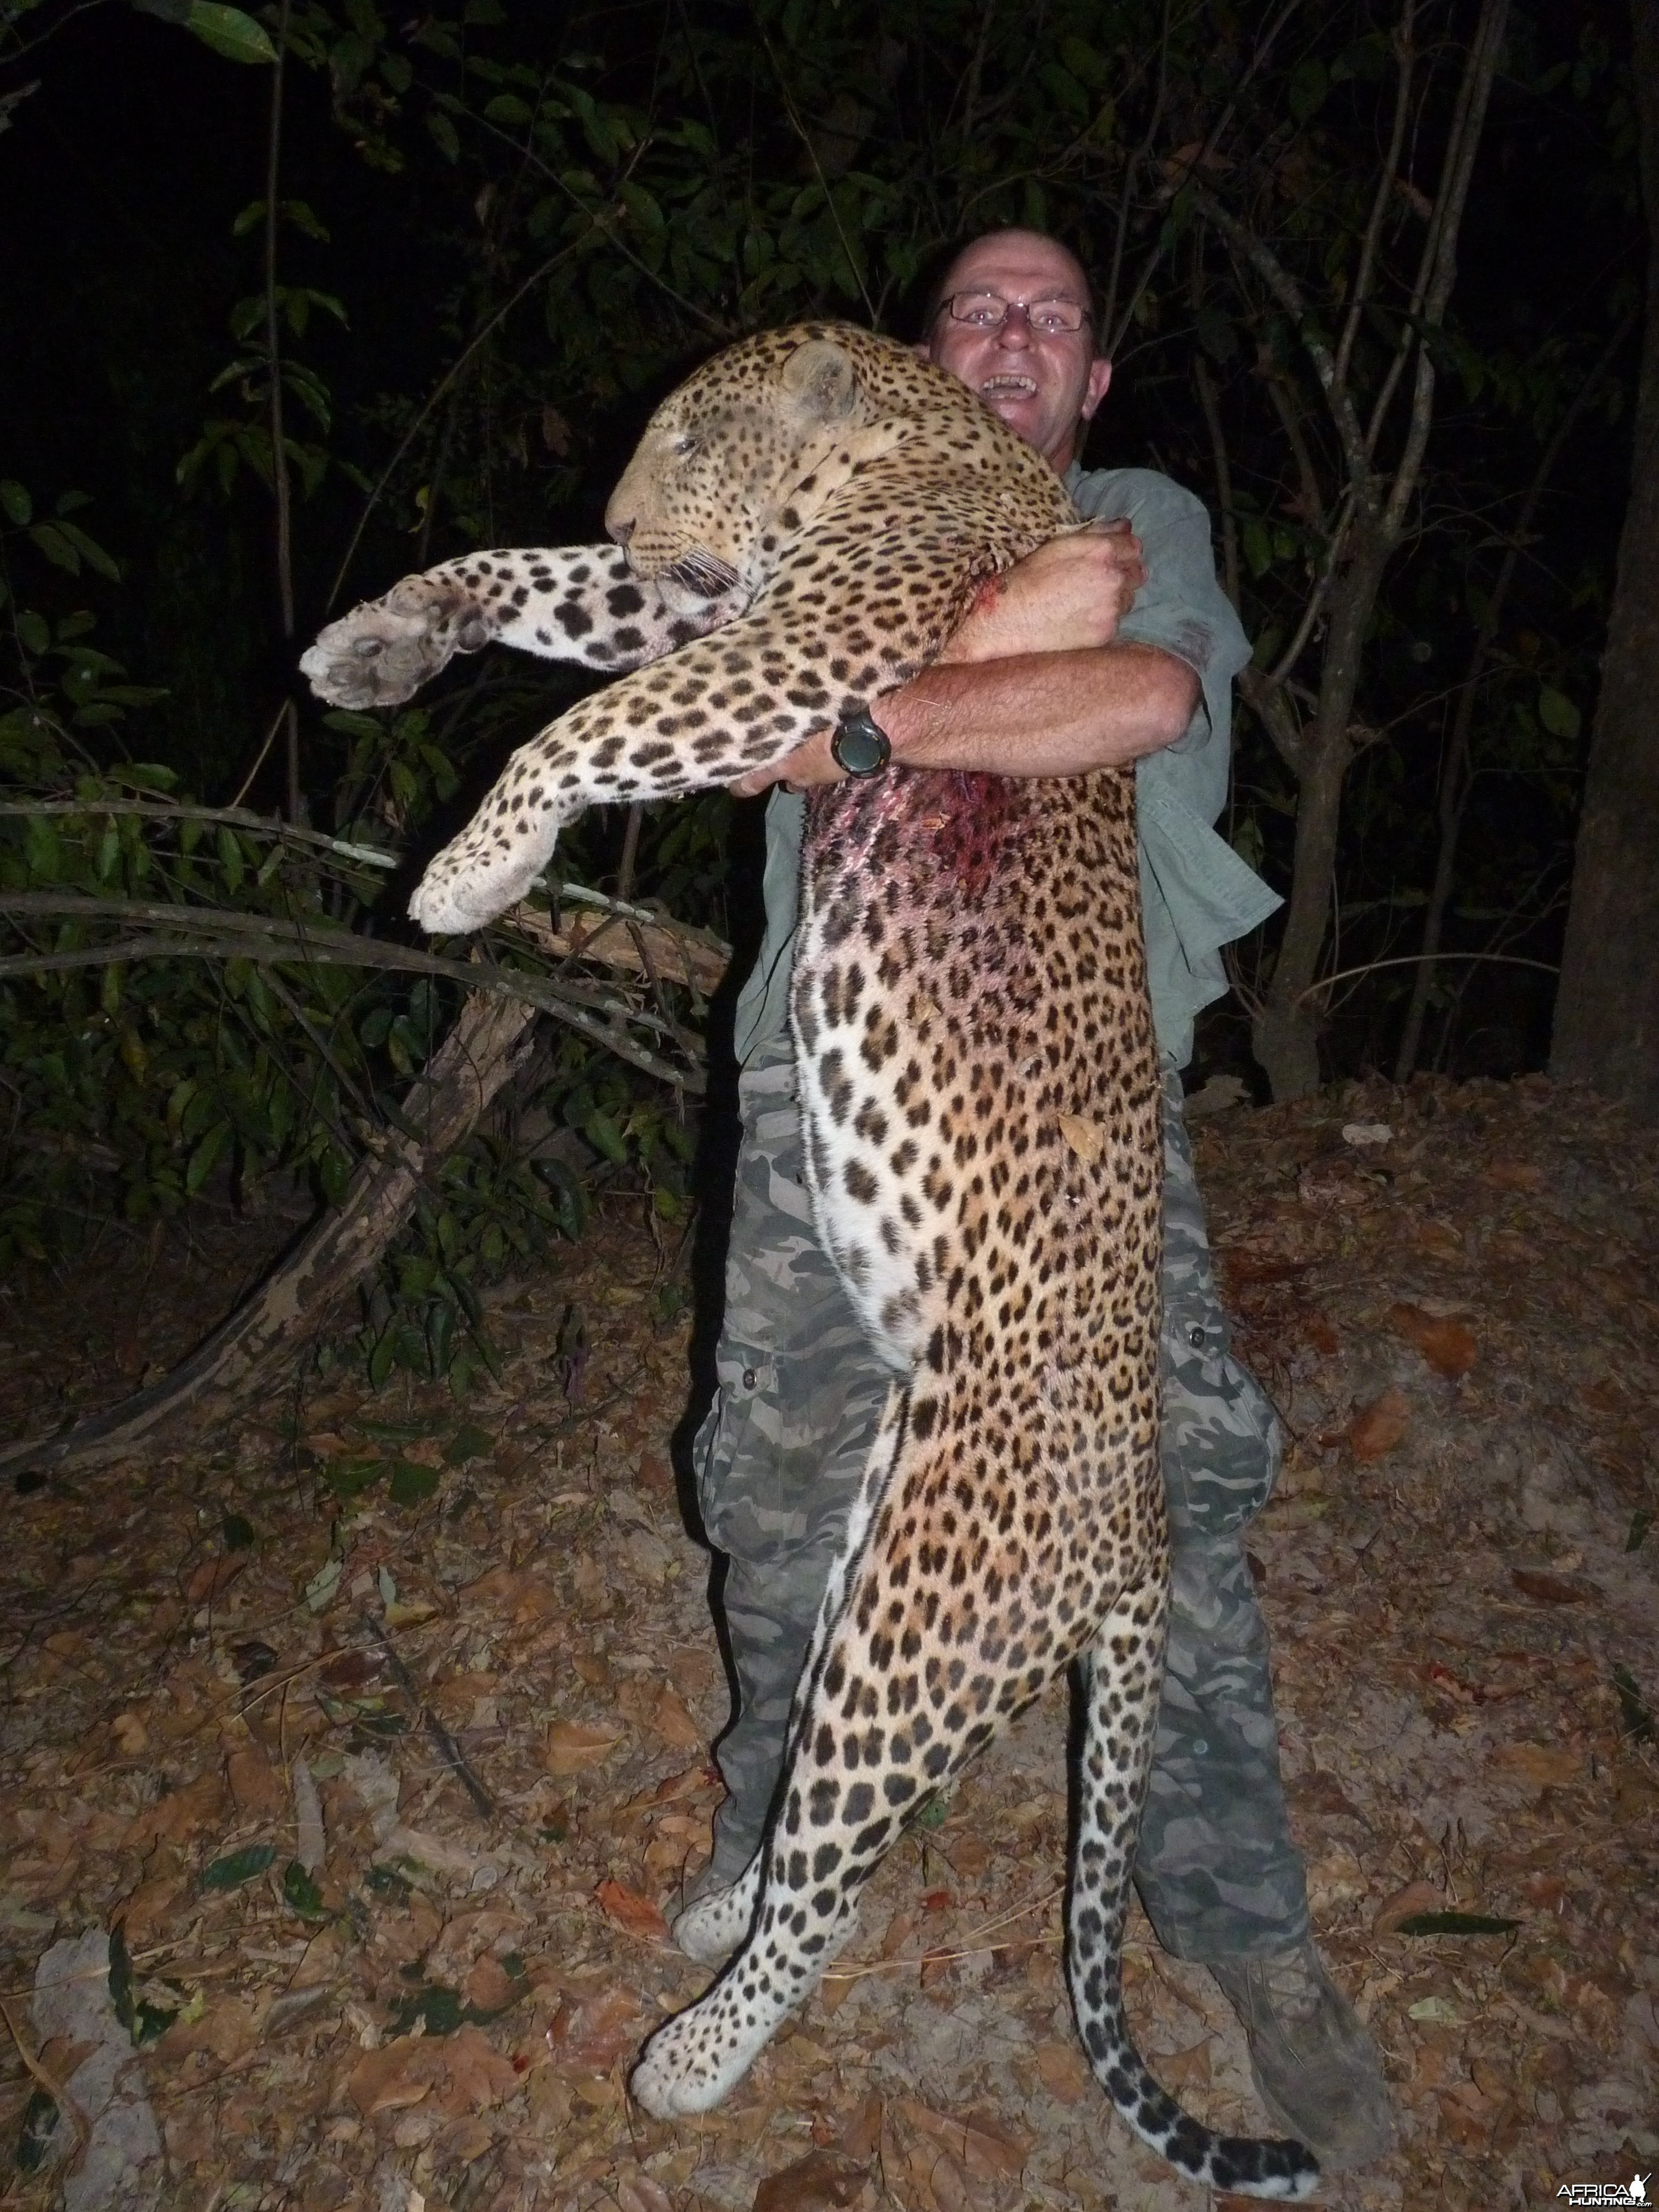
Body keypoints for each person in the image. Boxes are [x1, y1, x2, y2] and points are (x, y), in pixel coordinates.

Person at [686, 229, 1392, 2171]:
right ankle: (768, 1835)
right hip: (818, 1079)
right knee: (779, 1485)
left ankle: (1248, 1932)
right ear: (916, 365)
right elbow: (695, 653)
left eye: (1050, 317)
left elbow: (1137, 698)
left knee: (1162, 1518)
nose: (1011, 337)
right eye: (973, 312)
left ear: (1089, 382)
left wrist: (859, 724)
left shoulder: (1129, 508)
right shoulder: (825, 524)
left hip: (1072, 1117)